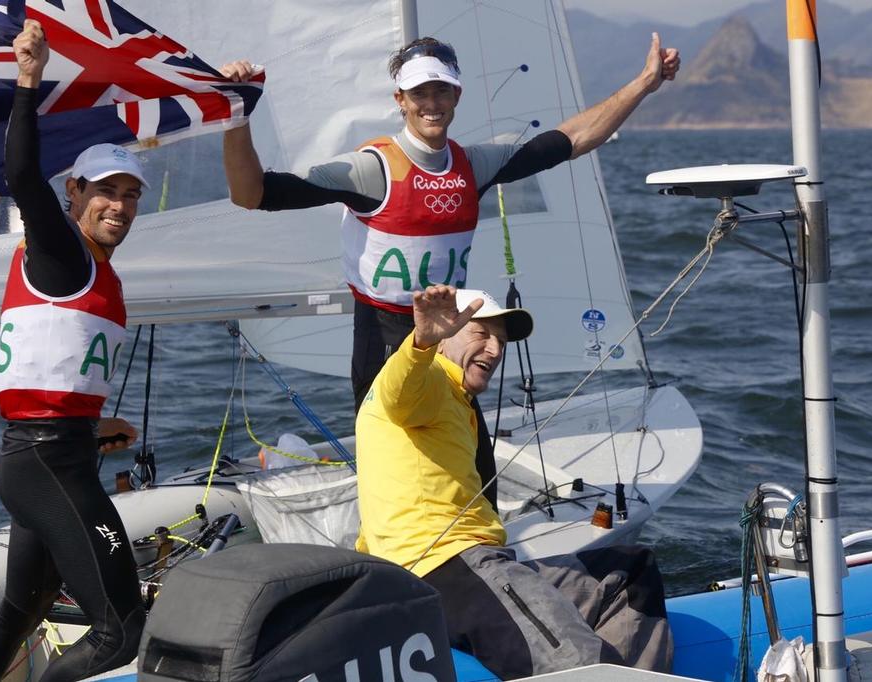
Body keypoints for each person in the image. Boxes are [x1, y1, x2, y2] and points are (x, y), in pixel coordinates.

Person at [220, 34, 681, 508]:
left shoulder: (473, 166)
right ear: (400, 100)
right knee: (402, 482)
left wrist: (645, 83)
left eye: (441, 90)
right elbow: (251, 194)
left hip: (447, 335)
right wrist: (236, 114)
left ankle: (482, 562)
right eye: (419, 93)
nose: (431, 103)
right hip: (383, 341)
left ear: (457, 95)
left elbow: (573, 140)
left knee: (477, 475)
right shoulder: (369, 171)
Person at [355, 285, 672, 680]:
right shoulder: (426, 380)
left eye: (501, 341)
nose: (494, 350)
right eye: (481, 334)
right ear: (445, 333)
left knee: (631, 571)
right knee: (576, 661)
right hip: (446, 569)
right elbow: (398, 390)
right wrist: (421, 342)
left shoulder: (455, 398)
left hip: (476, 564)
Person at [0, 20, 147, 682]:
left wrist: (99, 425)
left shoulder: (93, 268)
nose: (118, 206)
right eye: (104, 191)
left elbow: (53, 370)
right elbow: (20, 173)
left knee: (23, 607)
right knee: (122, 628)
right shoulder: (62, 250)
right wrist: (28, 81)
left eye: (129, 194)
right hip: (47, 466)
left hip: (53, 452)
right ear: (76, 194)